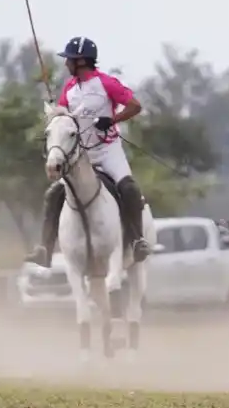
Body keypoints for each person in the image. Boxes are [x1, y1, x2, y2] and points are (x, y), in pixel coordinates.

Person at [25, 36, 149, 268]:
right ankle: (45, 248)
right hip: (82, 155)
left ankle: (137, 241)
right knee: (53, 194)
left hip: (108, 150)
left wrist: (112, 120)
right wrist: (53, 112)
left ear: (81, 61)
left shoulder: (106, 83)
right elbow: (61, 114)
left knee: (128, 188)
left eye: (69, 60)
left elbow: (135, 106)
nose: (66, 64)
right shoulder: (70, 89)